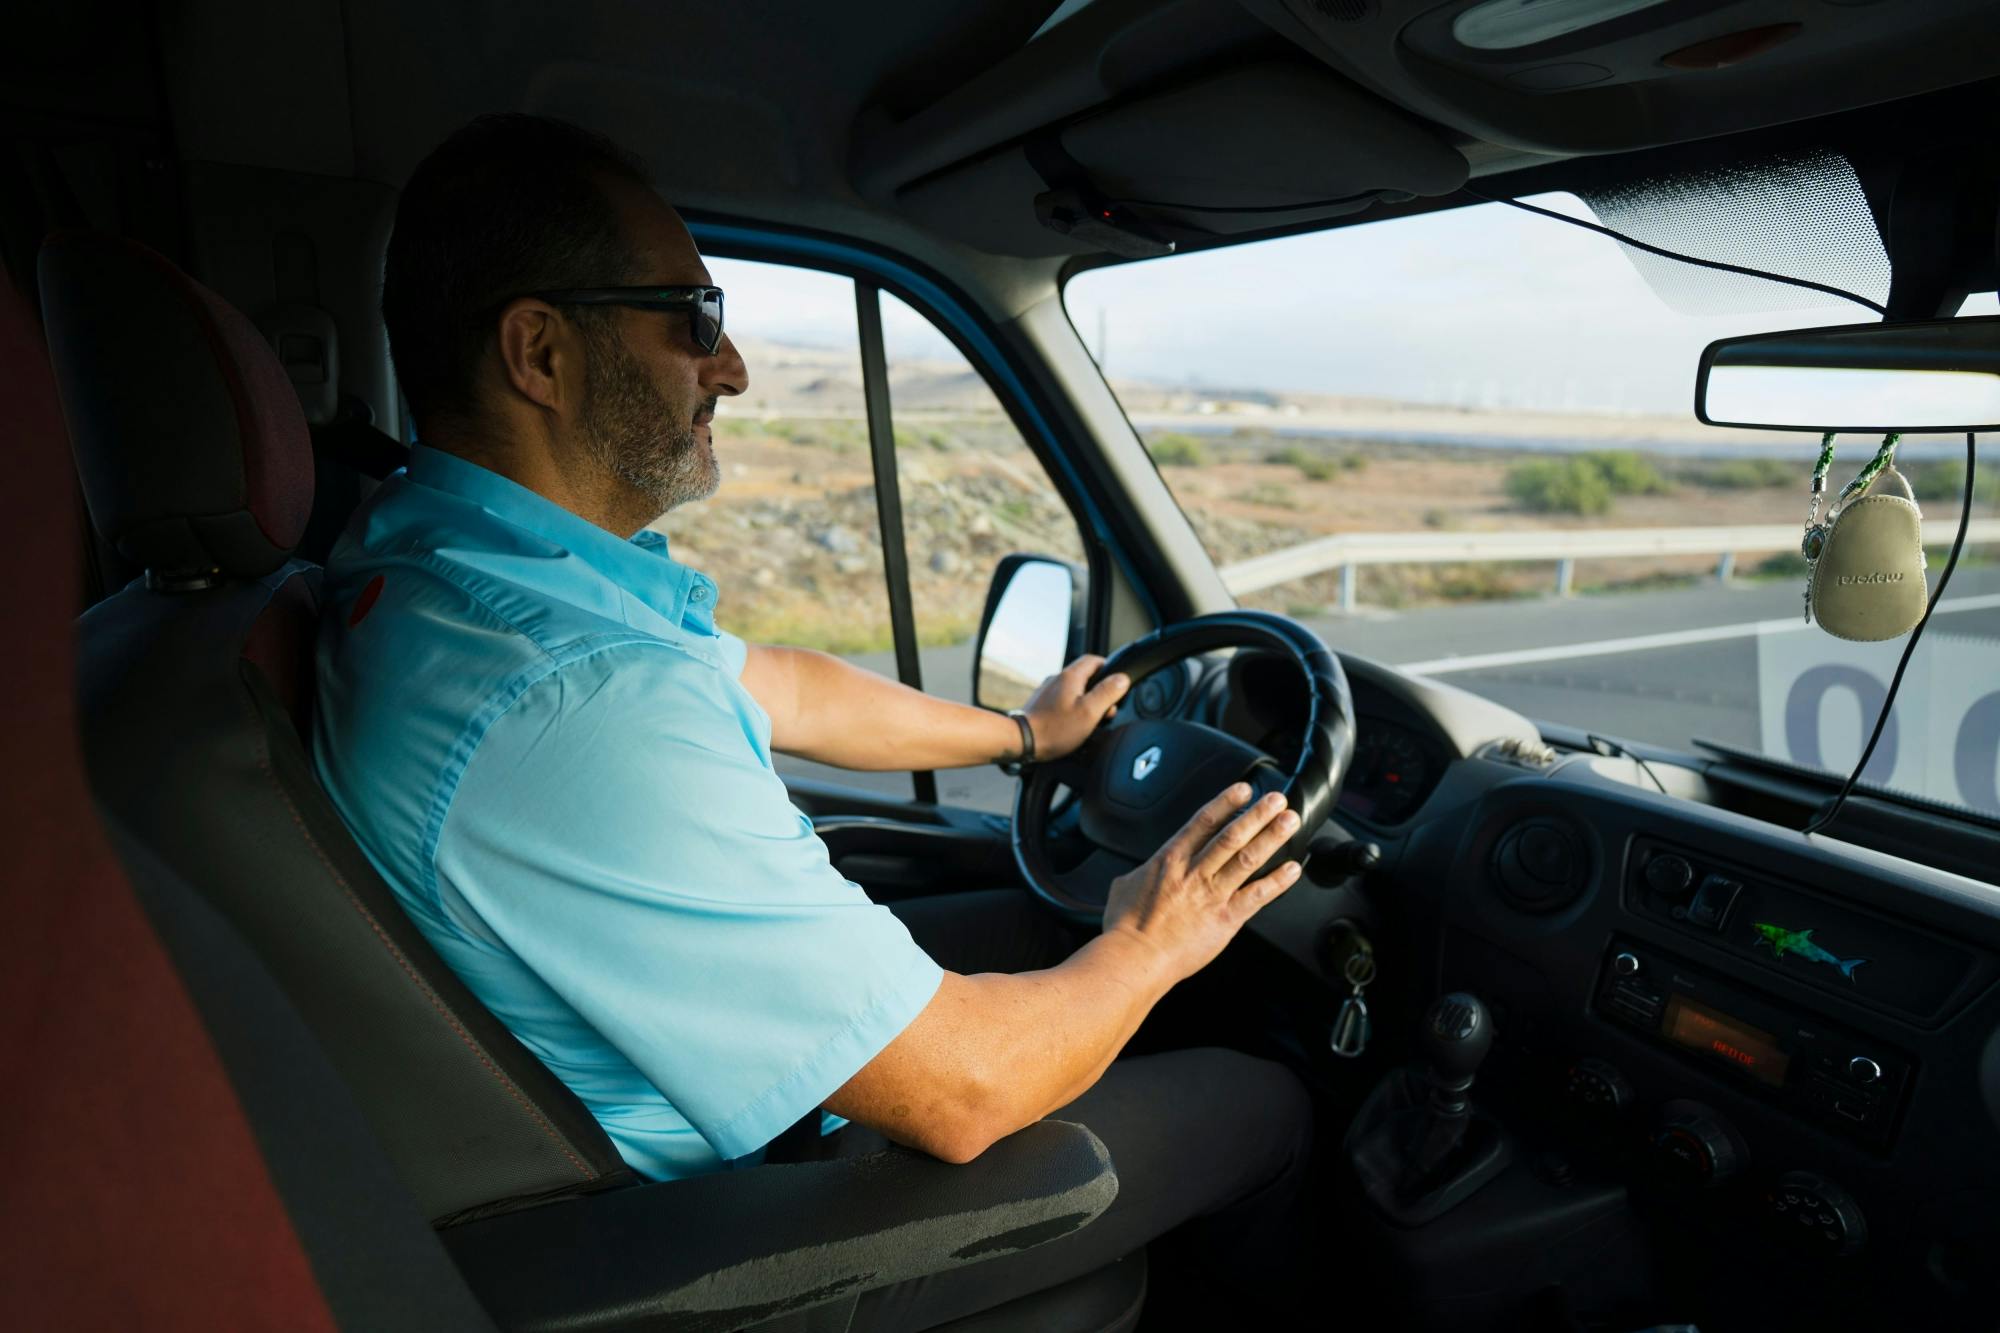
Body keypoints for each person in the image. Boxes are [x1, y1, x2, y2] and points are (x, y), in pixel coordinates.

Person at [314, 113, 1313, 1327]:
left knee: (1022, 927)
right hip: (717, 1220)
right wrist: (1154, 938)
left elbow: (782, 684)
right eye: (693, 318)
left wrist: (1022, 740)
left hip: (651, 1121)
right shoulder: (576, 694)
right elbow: (967, 1090)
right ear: (539, 351)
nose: (728, 369)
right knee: (1264, 1100)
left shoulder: (443, 566)